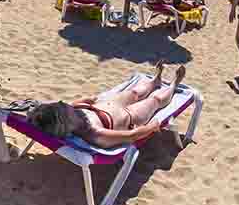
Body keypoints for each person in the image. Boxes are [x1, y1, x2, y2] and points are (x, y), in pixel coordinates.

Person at [27, 62, 186, 148]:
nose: (65, 104)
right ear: (66, 123)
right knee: (155, 101)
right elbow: (132, 135)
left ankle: (155, 81)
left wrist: (85, 100)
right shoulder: (96, 134)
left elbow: (72, 105)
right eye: (65, 107)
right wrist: (152, 126)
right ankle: (174, 84)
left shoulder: (71, 114)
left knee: (135, 92)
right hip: (129, 116)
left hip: (109, 104)